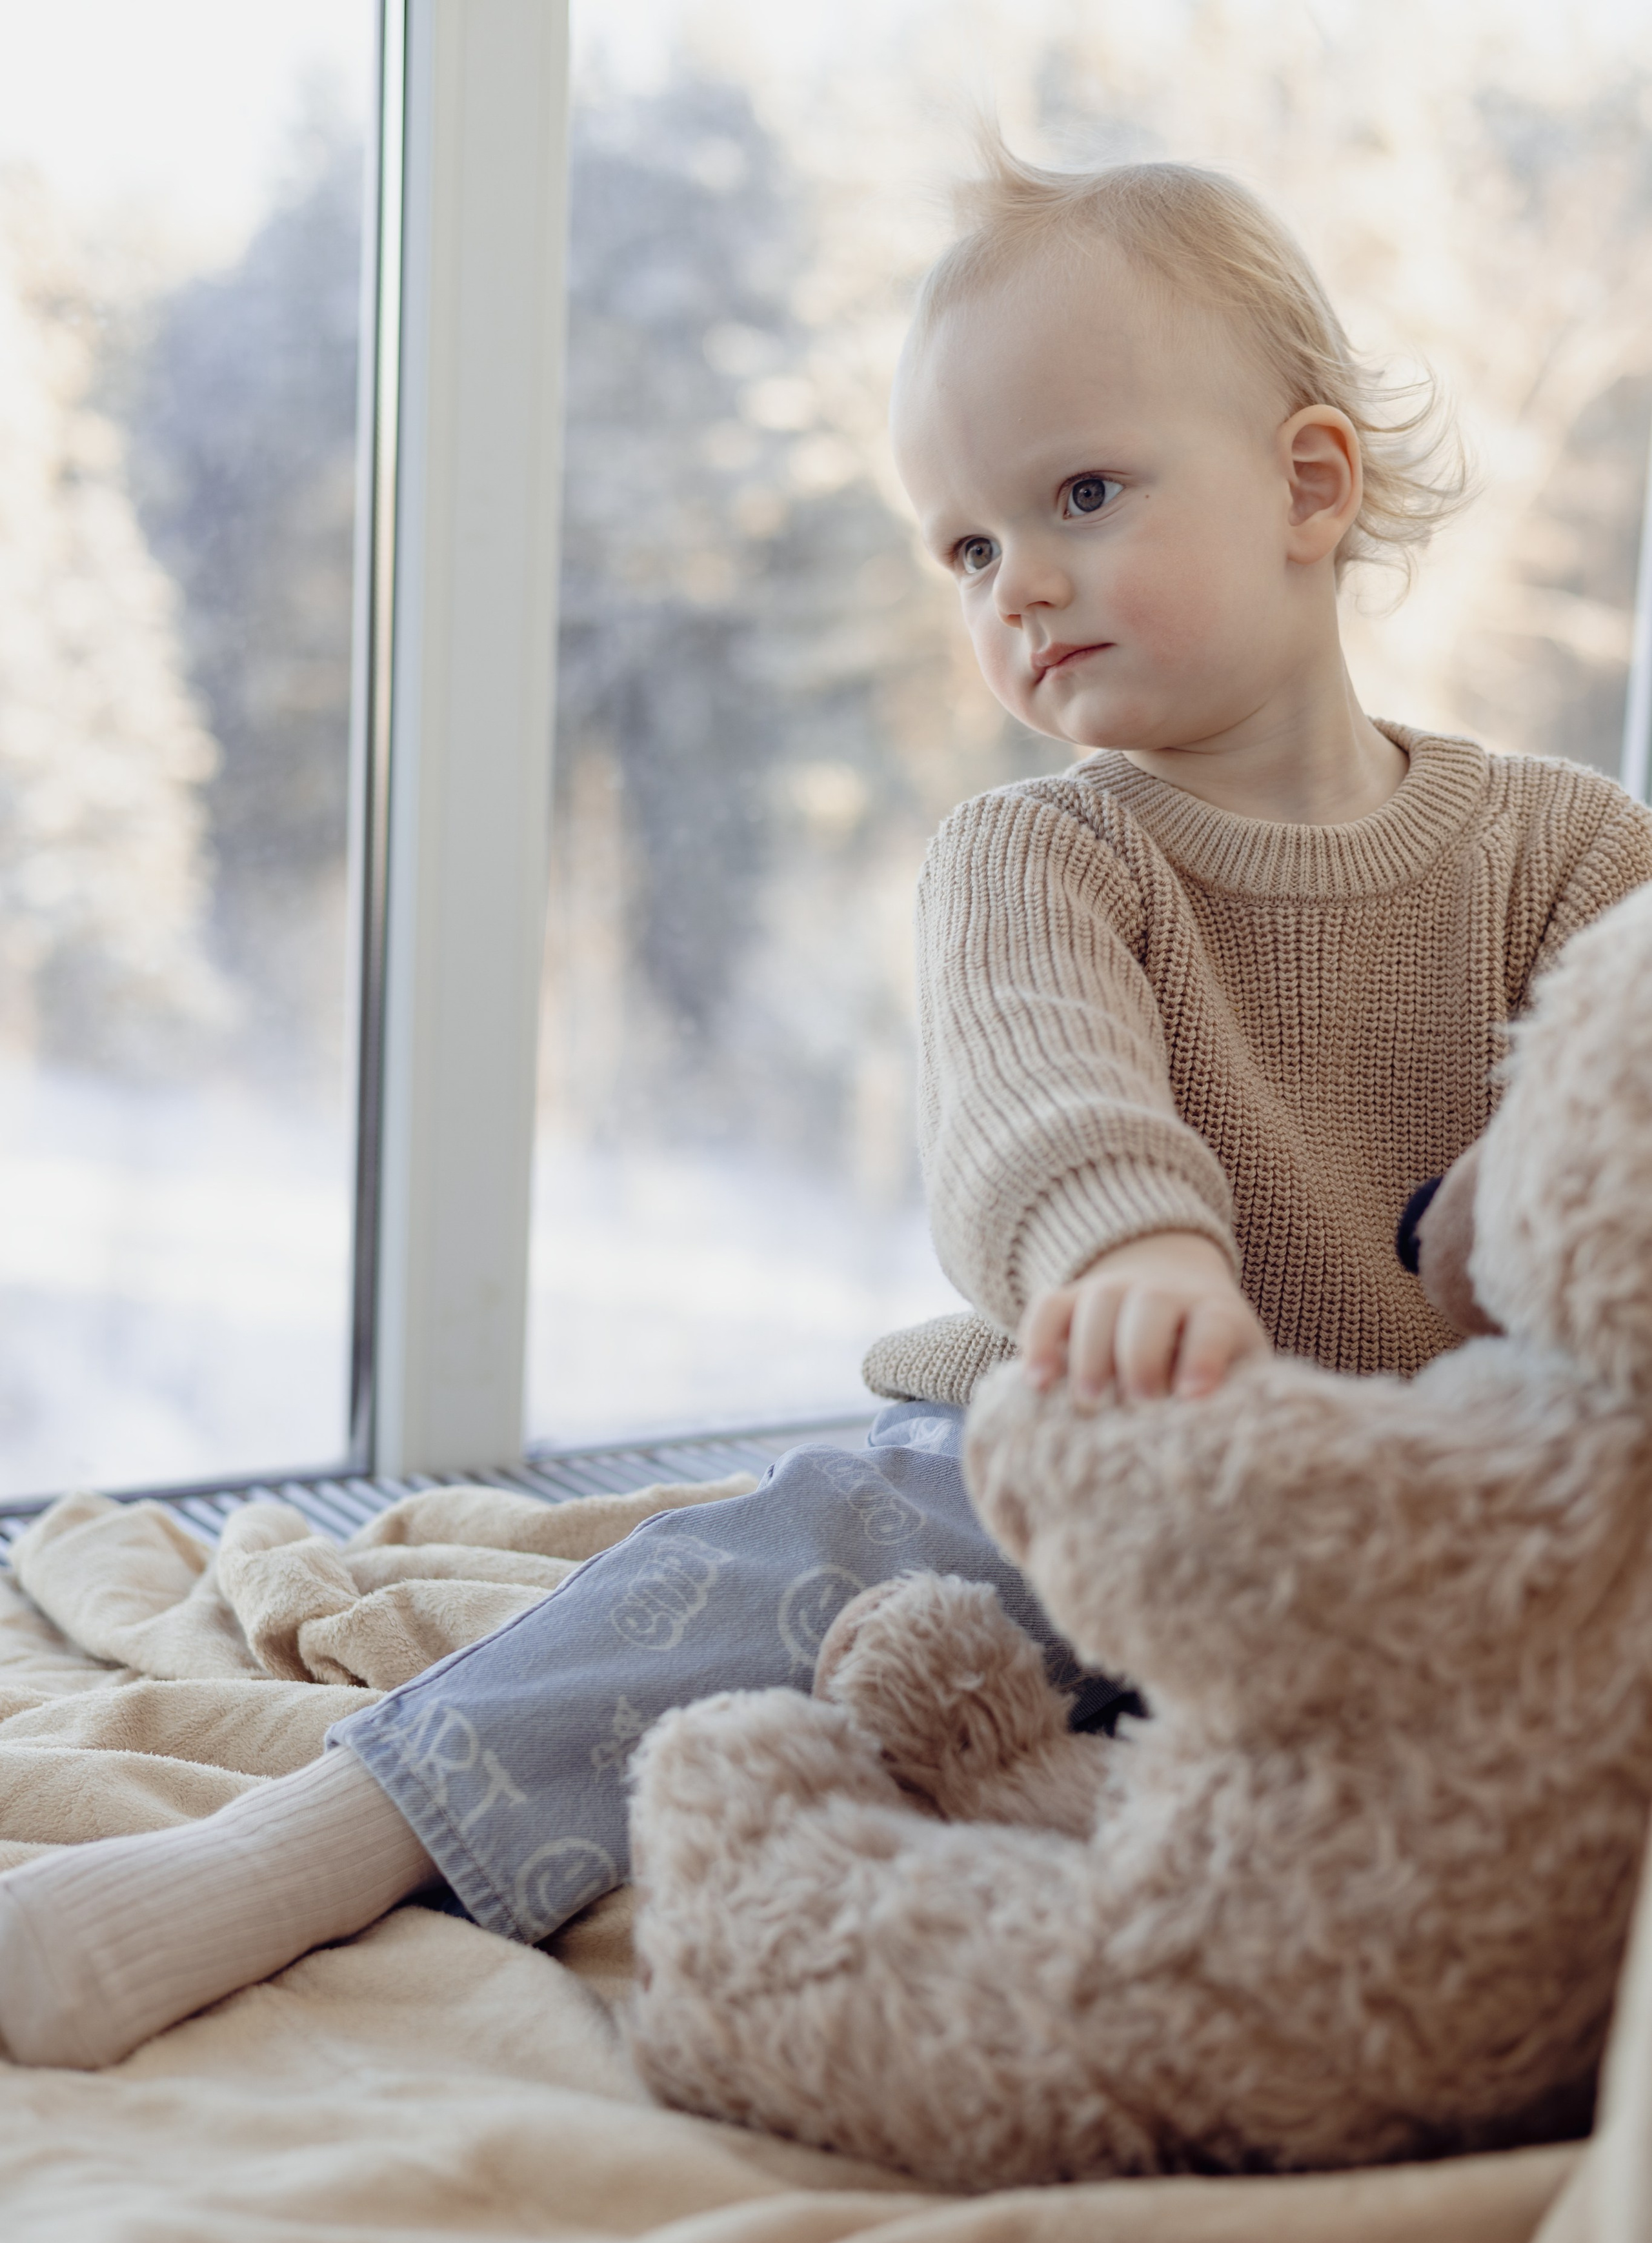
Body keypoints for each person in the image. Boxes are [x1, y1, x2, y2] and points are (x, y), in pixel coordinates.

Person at [5, 145, 1649, 2071]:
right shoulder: (1040, 856)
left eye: (1083, 496)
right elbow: (1042, 1088)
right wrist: (1128, 1247)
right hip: (1077, 1473)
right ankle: (316, 1847)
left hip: (1437, 1526)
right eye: (964, 549)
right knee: (810, 1550)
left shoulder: (1566, 847)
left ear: (1310, 485)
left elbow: (1613, 1112)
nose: (1016, 583)